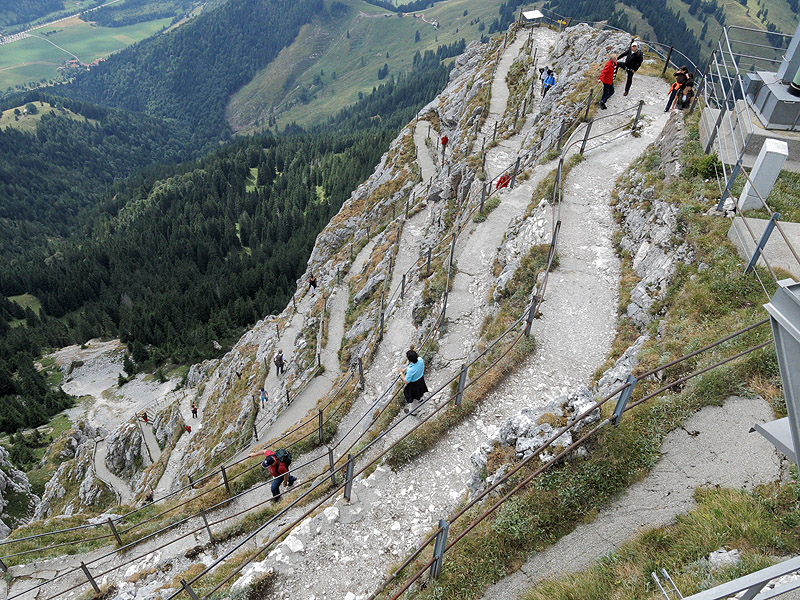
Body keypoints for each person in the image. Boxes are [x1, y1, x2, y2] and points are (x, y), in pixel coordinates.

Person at [398, 348, 428, 414]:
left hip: (414, 384)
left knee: (413, 398)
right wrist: (405, 369)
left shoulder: (410, 371)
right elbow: (412, 365)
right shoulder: (420, 360)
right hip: (420, 379)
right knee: (420, 390)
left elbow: (406, 381)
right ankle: (421, 399)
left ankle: (413, 411)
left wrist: (401, 373)